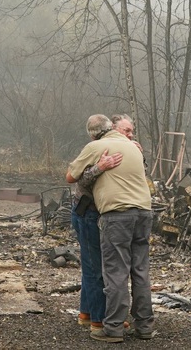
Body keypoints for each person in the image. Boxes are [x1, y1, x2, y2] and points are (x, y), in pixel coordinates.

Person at [67, 114, 155, 343]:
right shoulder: (120, 148)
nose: (130, 135)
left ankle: (111, 326)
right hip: (139, 212)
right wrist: (99, 167)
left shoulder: (109, 146)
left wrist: (99, 166)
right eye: (127, 130)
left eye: (131, 131)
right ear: (113, 129)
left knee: (111, 272)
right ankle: (143, 325)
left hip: (117, 214)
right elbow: (78, 180)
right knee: (137, 271)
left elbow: (70, 177)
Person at [66, 115, 123, 332]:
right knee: (95, 268)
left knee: (91, 265)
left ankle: (86, 312)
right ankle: (99, 320)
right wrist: (99, 167)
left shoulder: (119, 146)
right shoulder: (95, 148)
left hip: (97, 212)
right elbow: (71, 177)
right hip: (87, 211)